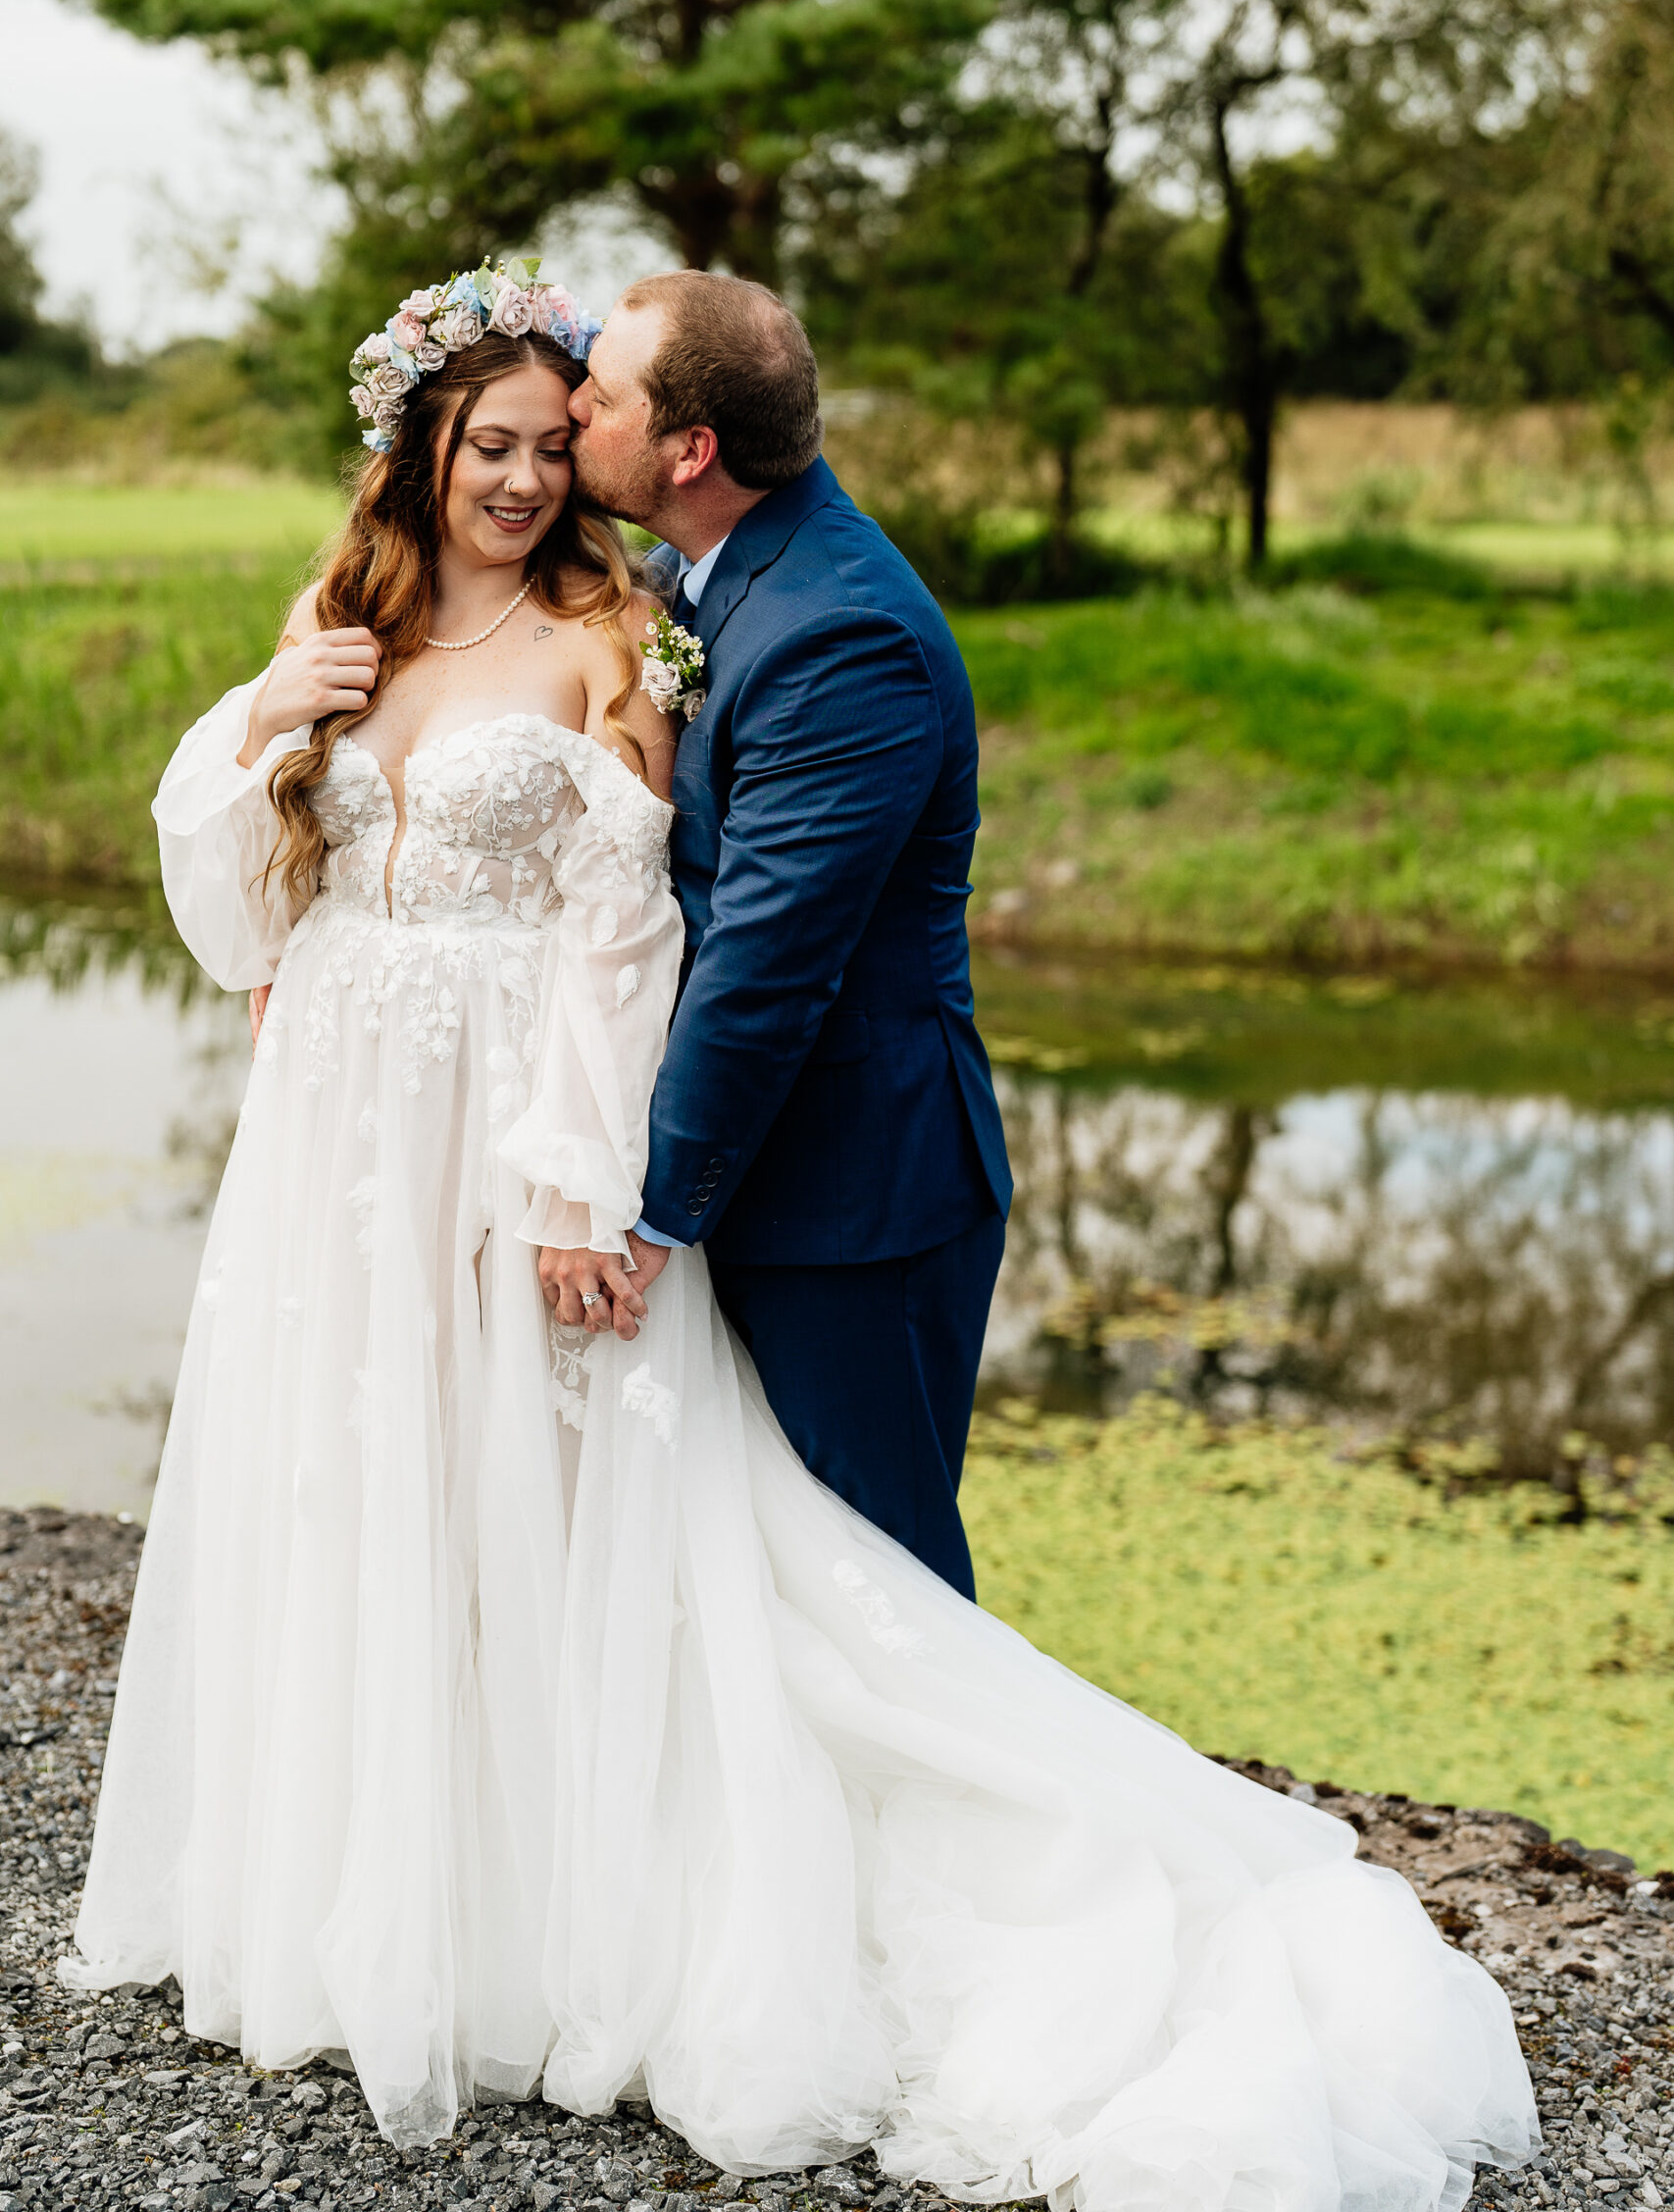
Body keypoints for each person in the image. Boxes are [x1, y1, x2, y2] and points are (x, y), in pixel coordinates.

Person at [63, 263, 1540, 2212]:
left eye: (560, 427)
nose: (530, 462)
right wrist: (274, 714)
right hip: (348, 1137)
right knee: (381, 1488)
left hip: (706, 1156)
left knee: (805, 1554)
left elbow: (687, 947)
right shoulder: (396, 614)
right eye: (492, 437)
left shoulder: (680, 625)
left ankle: (858, 1892)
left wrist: (612, 1186)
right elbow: (257, 892)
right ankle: (398, 1884)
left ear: (665, 448)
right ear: (415, 449)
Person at [546, 270, 1010, 1600]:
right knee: (764, 1589)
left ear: (690, 448)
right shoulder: (714, 574)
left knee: (881, 1581)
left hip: (855, 1198)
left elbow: (767, 964)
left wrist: (646, 1214)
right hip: (769, 1173)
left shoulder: (842, 635)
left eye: (605, 393)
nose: (577, 408)